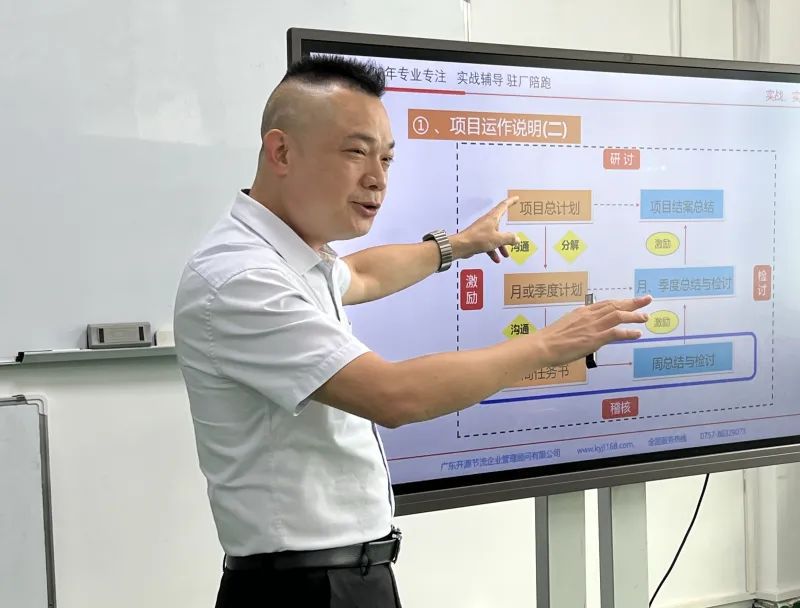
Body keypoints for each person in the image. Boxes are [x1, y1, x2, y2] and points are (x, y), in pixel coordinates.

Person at [173, 55, 651, 607]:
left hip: (345, 575)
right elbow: (394, 395)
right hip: (302, 590)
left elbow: (365, 274)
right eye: (355, 152)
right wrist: (549, 344)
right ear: (281, 152)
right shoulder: (242, 278)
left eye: (386, 158)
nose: (377, 178)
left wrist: (459, 245)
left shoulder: (292, 257)